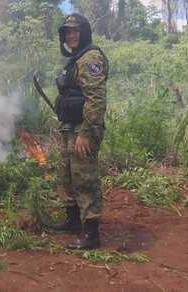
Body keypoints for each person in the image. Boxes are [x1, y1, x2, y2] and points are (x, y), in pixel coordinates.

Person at [49, 13, 108, 249]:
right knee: (67, 175)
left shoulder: (90, 57)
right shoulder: (75, 59)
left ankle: (91, 233)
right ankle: (73, 221)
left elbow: (96, 99)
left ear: (84, 32)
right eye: (66, 32)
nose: (70, 36)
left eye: (75, 31)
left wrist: (85, 132)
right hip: (69, 129)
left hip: (83, 130)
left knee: (84, 178)